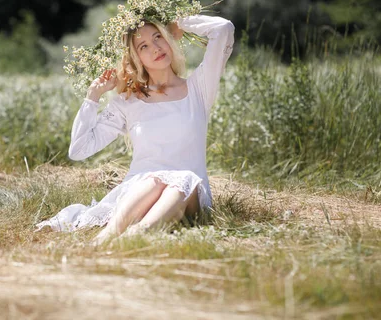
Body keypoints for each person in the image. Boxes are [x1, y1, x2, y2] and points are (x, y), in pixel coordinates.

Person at [35, 14, 235, 245]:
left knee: (183, 178)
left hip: (189, 194)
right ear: (136, 58)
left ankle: (134, 236)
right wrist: (93, 97)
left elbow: (223, 28)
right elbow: (79, 150)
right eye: (144, 46)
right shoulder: (127, 103)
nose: (156, 48)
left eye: (158, 37)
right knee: (155, 179)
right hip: (141, 192)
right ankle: (104, 241)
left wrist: (179, 23)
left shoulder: (199, 88)